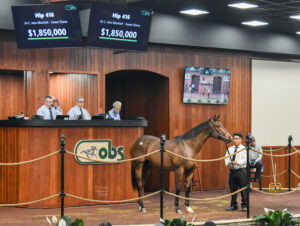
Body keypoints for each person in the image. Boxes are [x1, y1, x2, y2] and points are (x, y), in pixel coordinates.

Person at [224, 132, 247, 212]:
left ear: (241, 140)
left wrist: (237, 162)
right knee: (233, 190)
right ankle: (233, 205)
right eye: (234, 139)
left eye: (237, 139)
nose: (235, 140)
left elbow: (245, 160)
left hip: (241, 171)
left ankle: (244, 205)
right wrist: (228, 164)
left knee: (243, 189)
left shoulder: (244, 149)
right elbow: (226, 158)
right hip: (232, 171)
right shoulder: (230, 149)